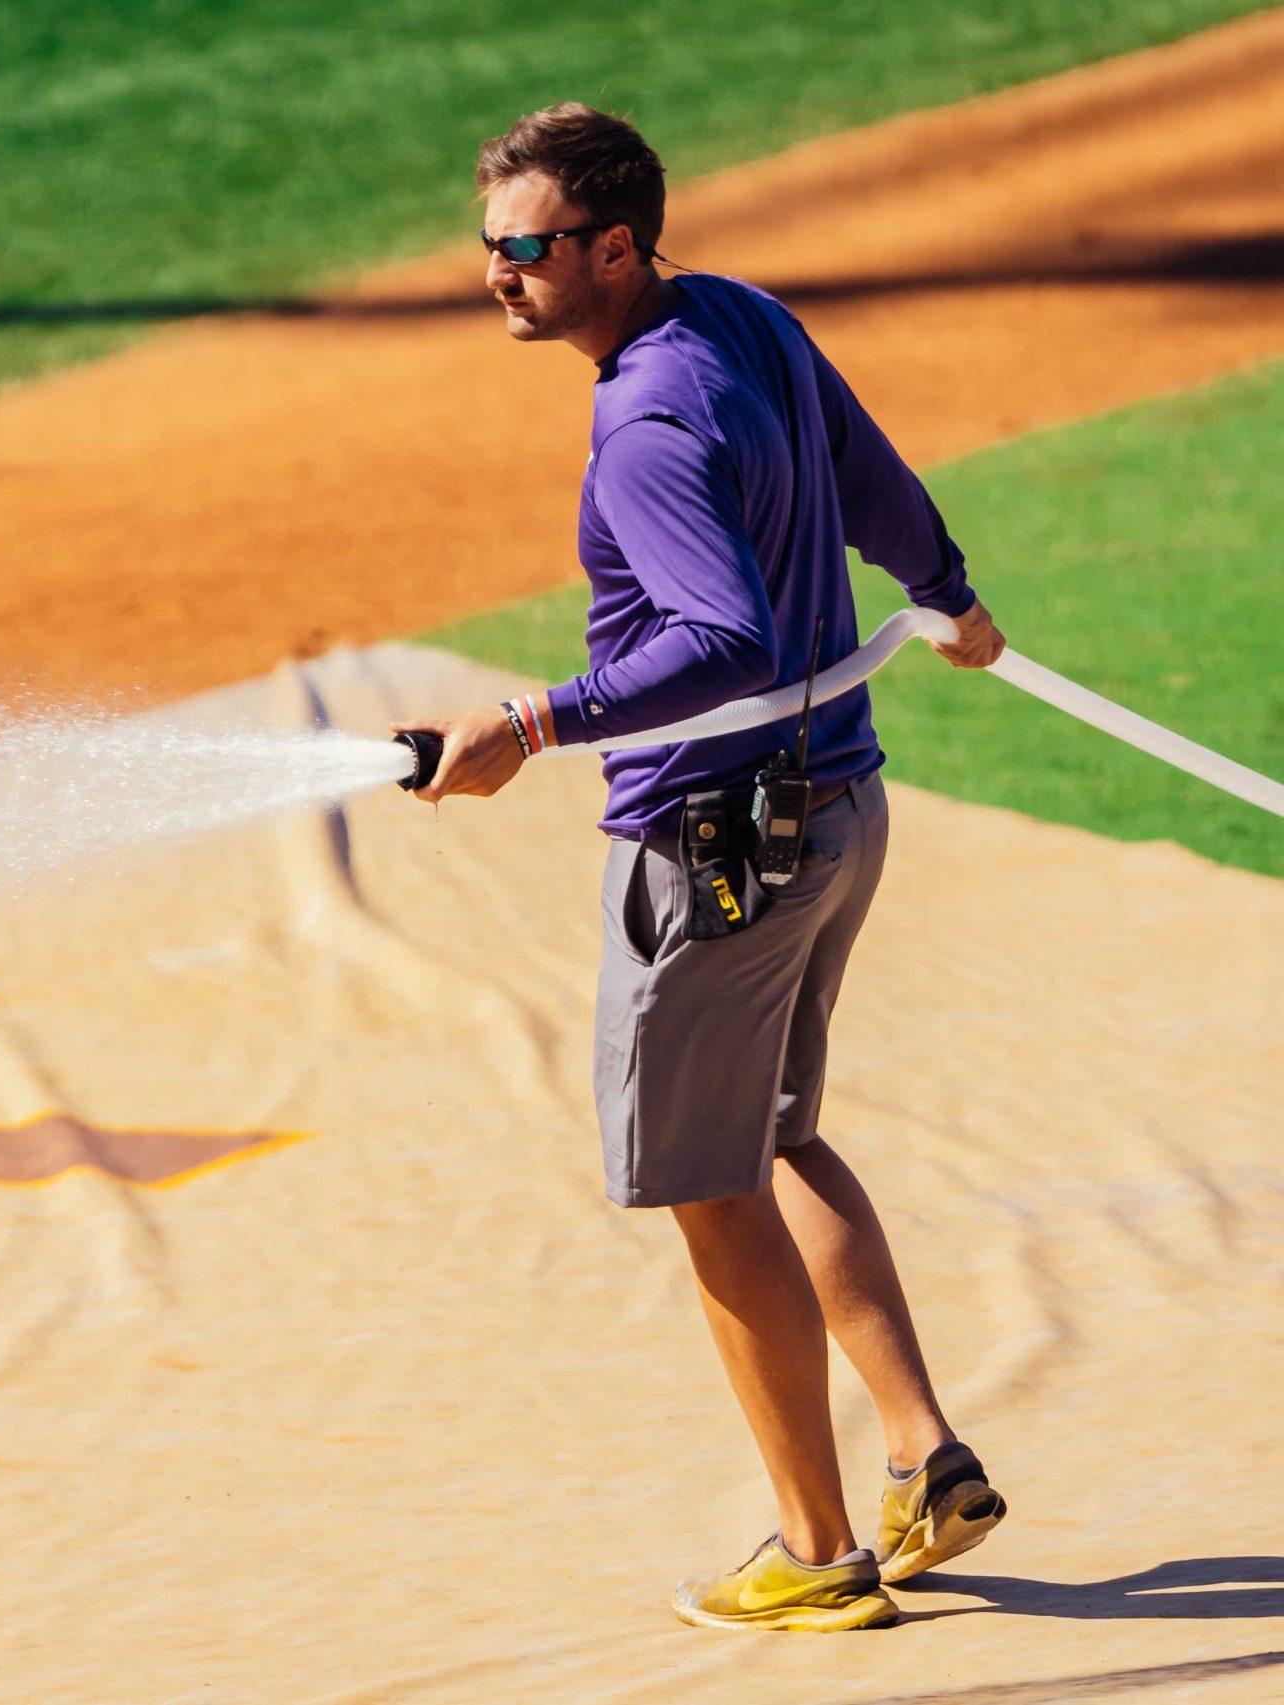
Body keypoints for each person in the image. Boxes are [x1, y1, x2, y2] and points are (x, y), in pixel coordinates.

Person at [398, 104, 1011, 1633]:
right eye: (486, 247)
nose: (498, 274)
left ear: (614, 245)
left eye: (525, 249)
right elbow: (865, 470)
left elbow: (717, 636)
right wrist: (946, 590)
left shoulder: (648, 422)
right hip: (838, 816)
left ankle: (814, 1550)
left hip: (712, 857)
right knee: (784, 1130)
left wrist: (533, 718)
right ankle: (923, 1453)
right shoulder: (737, 314)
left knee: (708, 1182)